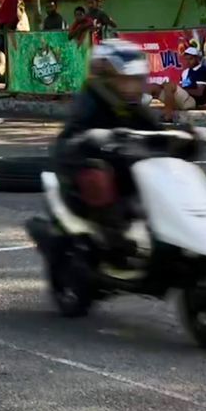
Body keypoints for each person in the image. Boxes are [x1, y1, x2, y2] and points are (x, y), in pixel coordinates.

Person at [53, 40, 160, 252]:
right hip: (81, 180)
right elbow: (72, 141)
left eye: (136, 80)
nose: (132, 87)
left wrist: (187, 138)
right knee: (98, 175)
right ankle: (109, 239)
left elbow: (159, 136)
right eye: (125, 80)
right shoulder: (88, 104)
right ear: (106, 78)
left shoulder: (136, 109)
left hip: (127, 178)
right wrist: (94, 138)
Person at [151, 45, 206, 121]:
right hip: (183, 100)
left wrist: (179, 88)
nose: (188, 62)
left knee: (169, 85)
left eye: (191, 59)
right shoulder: (185, 72)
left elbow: (199, 93)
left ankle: (168, 116)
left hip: (193, 102)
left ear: (197, 58)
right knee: (153, 87)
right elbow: (179, 89)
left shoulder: (202, 71)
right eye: (186, 59)